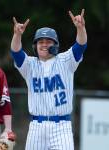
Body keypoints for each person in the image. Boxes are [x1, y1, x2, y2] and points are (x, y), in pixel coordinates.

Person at [10, 8, 87, 150]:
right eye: (40, 42)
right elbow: (16, 52)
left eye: (48, 41)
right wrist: (17, 35)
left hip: (61, 126)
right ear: (35, 46)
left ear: (55, 45)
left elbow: (80, 46)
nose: (44, 44)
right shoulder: (30, 65)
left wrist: (80, 28)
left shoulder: (66, 61)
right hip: (36, 127)